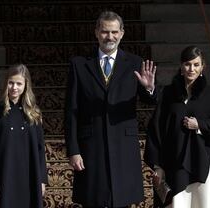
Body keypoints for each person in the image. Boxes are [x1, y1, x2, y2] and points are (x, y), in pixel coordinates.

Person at [64, 10, 157, 207]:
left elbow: (151, 102)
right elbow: (71, 110)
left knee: (122, 200)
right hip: (91, 146)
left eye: (115, 32)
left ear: (122, 33)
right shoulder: (79, 65)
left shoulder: (135, 63)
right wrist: (73, 149)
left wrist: (149, 89)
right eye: (105, 32)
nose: (110, 37)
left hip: (123, 145)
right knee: (93, 199)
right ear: (96, 32)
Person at [144, 46, 210, 208]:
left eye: (196, 65)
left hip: (202, 164)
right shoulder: (168, 93)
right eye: (188, 64)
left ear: (202, 67)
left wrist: (199, 125)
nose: (191, 69)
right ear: (181, 66)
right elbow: (157, 129)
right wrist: (158, 166)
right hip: (174, 164)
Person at [0, 64, 47, 208]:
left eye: (19, 83)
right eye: (11, 83)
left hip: (29, 176)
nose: (14, 87)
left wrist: (42, 179)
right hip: (3, 176)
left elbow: (40, 148)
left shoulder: (34, 113)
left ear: (26, 85)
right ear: (6, 83)